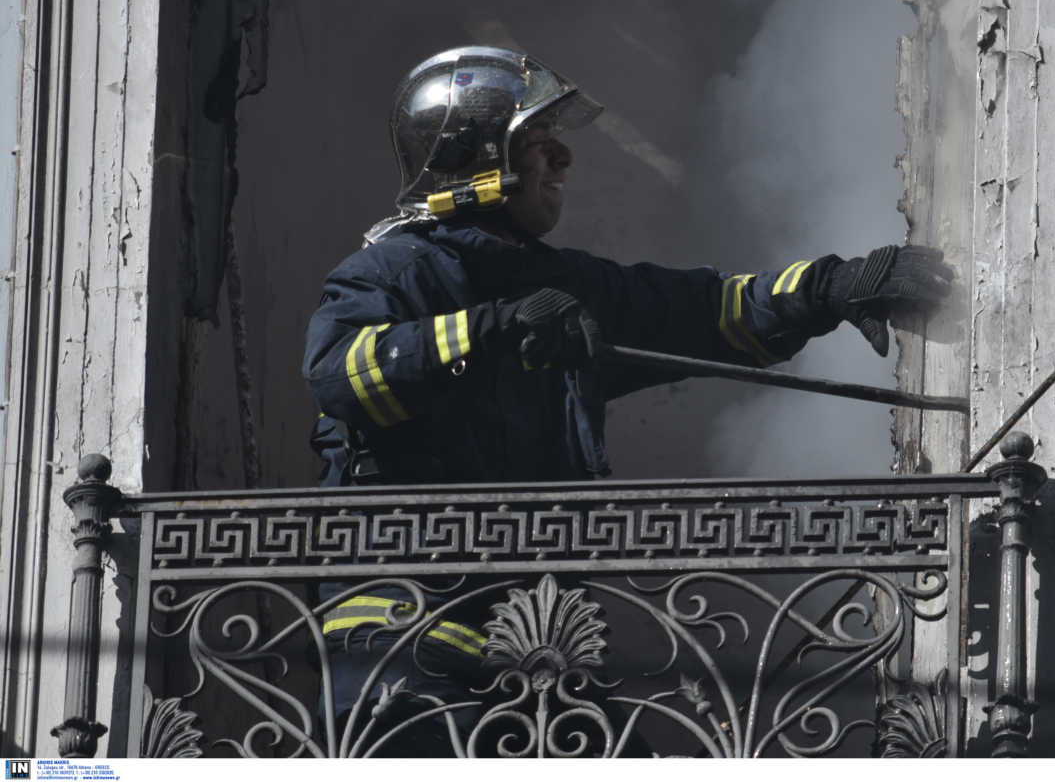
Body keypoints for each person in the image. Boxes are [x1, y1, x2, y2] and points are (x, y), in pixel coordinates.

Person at [301, 46, 953, 755]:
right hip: (401, 648)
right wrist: (495, 331)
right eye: (538, 139)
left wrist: (830, 288)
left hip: (532, 652)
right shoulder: (393, 270)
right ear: (475, 155)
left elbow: (702, 311)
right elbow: (338, 372)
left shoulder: (559, 285)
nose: (563, 158)